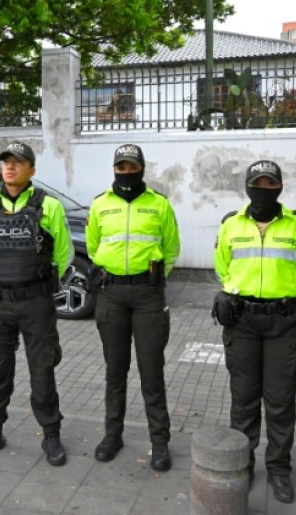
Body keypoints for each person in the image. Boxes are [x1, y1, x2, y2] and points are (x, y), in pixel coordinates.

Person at [212, 160, 296, 504]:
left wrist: (284, 299)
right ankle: (243, 463)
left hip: (283, 323)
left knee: (281, 400)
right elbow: (222, 266)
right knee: (243, 399)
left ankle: (279, 468)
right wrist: (232, 289)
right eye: (258, 183)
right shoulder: (231, 224)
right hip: (242, 323)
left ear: (280, 188)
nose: (264, 189)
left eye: (270, 184)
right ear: (247, 187)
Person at [0, 141, 74, 466]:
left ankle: (51, 435)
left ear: (32, 170)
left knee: (42, 373)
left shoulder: (49, 207)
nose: (10, 167)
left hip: (36, 304)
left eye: (18, 162)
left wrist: (38, 283)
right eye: (6, 162)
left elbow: (64, 254)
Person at [85, 143, 180, 471]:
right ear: (114, 169)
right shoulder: (100, 205)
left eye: (132, 167)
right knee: (115, 371)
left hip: (146, 295)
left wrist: (152, 277)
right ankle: (113, 434)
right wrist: (109, 267)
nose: (127, 172)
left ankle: (160, 441)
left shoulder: (159, 205)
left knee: (152, 372)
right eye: (121, 167)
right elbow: (93, 246)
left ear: (142, 168)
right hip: (111, 294)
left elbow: (171, 249)